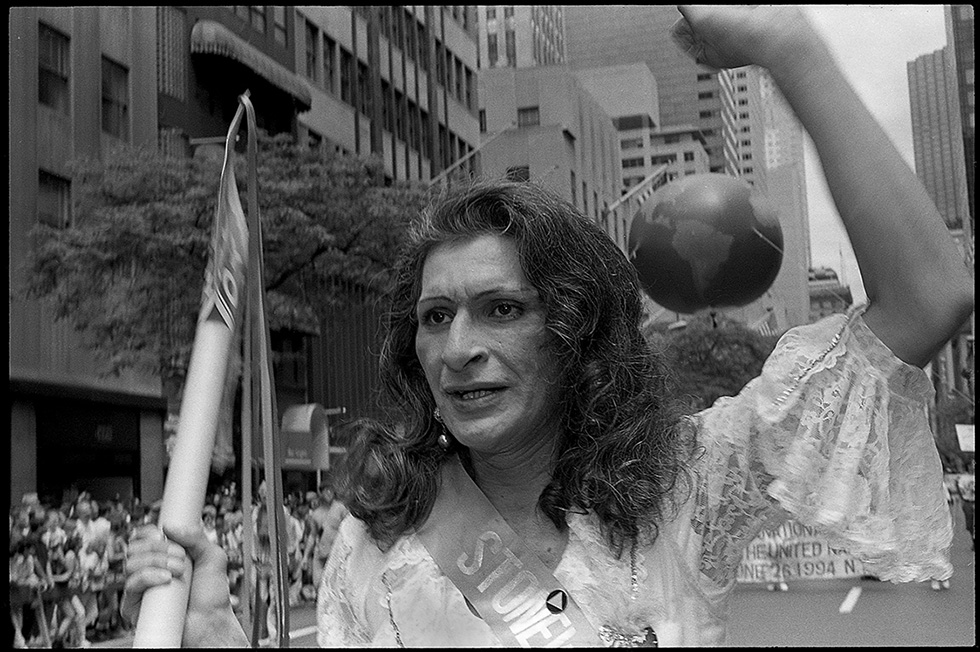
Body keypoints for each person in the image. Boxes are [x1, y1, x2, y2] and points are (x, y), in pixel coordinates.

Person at [119, 6, 973, 647]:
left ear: (576, 332)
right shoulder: (376, 537)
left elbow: (927, 299)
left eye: (503, 309)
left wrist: (788, 46)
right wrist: (215, 637)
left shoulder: (687, 486)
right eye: (435, 317)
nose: (459, 349)